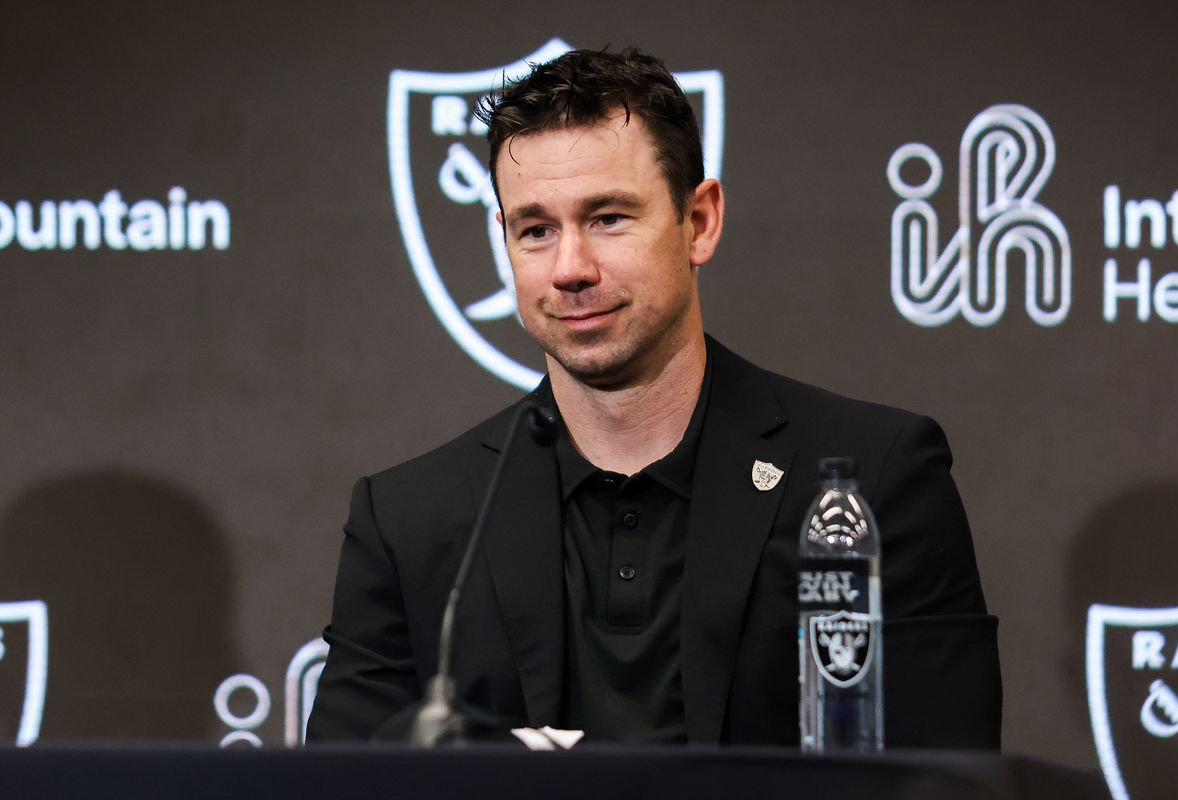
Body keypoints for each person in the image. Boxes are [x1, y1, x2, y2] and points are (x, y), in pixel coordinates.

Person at [306, 48, 1001, 747]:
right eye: (536, 230)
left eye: (608, 217)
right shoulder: (410, 521)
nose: (570, 269)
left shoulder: (873, 480)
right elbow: (340, 784)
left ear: (698, 221)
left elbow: (947, 776)